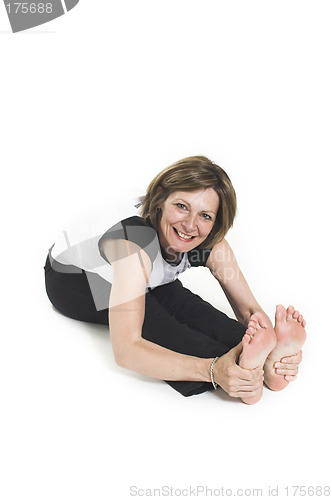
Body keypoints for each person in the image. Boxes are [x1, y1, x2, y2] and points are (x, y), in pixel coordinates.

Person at [44, 156, 306, 404]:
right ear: (160, 198)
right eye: (182, 207)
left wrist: (274, 351)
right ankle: (242, 375)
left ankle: (261, 367)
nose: (190, 225)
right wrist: (213, 370)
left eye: (205, 215)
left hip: (145, 276)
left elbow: (249, 311)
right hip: (76, 278)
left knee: (194, 311)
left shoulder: (209, 240)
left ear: (215, 222)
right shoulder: (132, 245)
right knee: (161, 326)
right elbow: (126, 349)